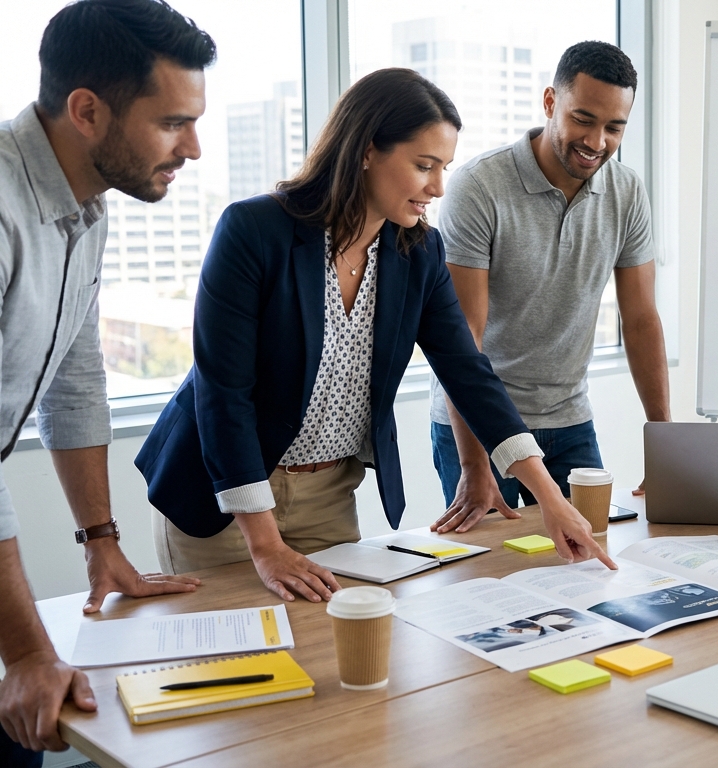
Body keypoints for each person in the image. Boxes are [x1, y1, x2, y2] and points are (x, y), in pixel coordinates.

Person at [136, 68, 615, 607]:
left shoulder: (419, 253)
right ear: (367, 151)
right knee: (233, 666)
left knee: (334, 665)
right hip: (223, 503)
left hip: (328, 497)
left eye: (444, 168)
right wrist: (265, 546)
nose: (437, 187)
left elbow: (468, 373)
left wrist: (549, 498)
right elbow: (223, 395)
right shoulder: (253, 232)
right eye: (423, 165)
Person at [0, 0, 214, 760]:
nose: (192, 147)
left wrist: (101, 540)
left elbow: (74, 379)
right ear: (86, 110)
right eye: (171, 123)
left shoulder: (85, 206)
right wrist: (26, 651)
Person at [428, 40, 670, 534]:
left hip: (570, 420)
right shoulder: (480, 187)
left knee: (588, 559)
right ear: (549, 102)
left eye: (614, 127)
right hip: (481, 425)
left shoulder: (627, 192)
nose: (597, 141)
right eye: (583, 119)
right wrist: (475, 465)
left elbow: (641, 319)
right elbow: (462, 339)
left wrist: (667, 447)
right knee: (491, 576)